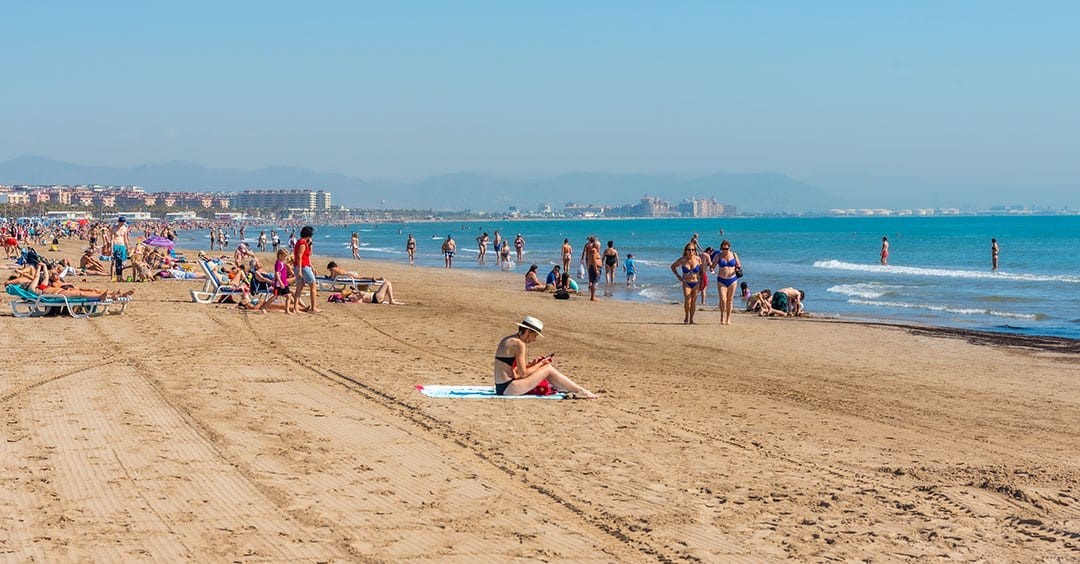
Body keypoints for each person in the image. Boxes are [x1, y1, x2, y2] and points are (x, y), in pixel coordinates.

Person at [492, 316, 597, 398]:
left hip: (502, 387)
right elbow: (523, 374)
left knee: (545, 368)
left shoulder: (509, 339)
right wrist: (541, 364)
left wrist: (533, 365)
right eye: (534, 336)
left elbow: (513, 371)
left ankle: (571, 389)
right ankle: (580, 391)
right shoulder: (519, 344)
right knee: (548, 369)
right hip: (508, 388)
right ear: (528, 332)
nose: (534, 340)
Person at [671, 243, 704, 324]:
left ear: (695, 251)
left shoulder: (698, 259)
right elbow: (673, 267)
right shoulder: (682, 260)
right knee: (687, 300)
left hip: (696, 283)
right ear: (686, 251)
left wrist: (702, 280)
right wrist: (678, 276)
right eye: (689, 250)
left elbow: (702, 270)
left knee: (693, 301)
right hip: (686, 283)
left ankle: (691, 319)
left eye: (692, 250)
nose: (691, 251)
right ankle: (686, 316)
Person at [292, 225, 321, 313]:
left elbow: (306, 257)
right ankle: (313, 308)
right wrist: (300, 270)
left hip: (303, 266)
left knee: (299, 287)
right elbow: (299, 257)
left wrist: (312, 267)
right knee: (313, 286)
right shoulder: (302, 243)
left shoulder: (301, 242)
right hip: (303, 267)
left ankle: (295, 308)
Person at [711, 240, 741, 325]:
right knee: (723, 299)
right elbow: (712, 266)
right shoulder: (718, 256)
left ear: (729, 248)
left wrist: (737, 269)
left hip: (732, 279)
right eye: (723, 248)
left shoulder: (734, 255)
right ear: (721, 248)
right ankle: (722, 316)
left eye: (726, 248)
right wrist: (712, 270)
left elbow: (738, 265)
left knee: (730, 300)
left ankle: (728, 319)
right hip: (721, 280)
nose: (725, 250)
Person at [258, 248, 295, 314]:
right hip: (279, 284)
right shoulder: (278, 263)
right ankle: (264, 307)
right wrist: (280, 282)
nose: (285, 258)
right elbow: (277, 273)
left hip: (284, 283)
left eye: (286, 256)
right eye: (284, 256)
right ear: (280, 255)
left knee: (288, 296)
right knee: (275, 296)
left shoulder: (282, 263)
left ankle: (287, 310)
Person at [581, 236, 602, 301]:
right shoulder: (594, 251)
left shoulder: (591, 249)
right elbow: (593, 260)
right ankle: (592, 297)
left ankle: (592, 296)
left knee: (593, 281)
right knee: (595, 282)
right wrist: (596, 269)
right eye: (599, 247)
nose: (600, 248)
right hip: (594, 267)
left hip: (592, 266)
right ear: (596, 246)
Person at [111, 216, 129, 282]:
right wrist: (112, 249)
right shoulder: (114, 228)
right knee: (114, 262)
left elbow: (125, 239)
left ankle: (120, 277)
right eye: (121, 222)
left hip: (122, 245)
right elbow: (112, 239)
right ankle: (112, 277)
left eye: (123, 223)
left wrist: (127, 248)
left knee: (122, 263)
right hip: (115, 245)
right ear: (118, 222)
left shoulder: (125, 228)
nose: (122, 224)